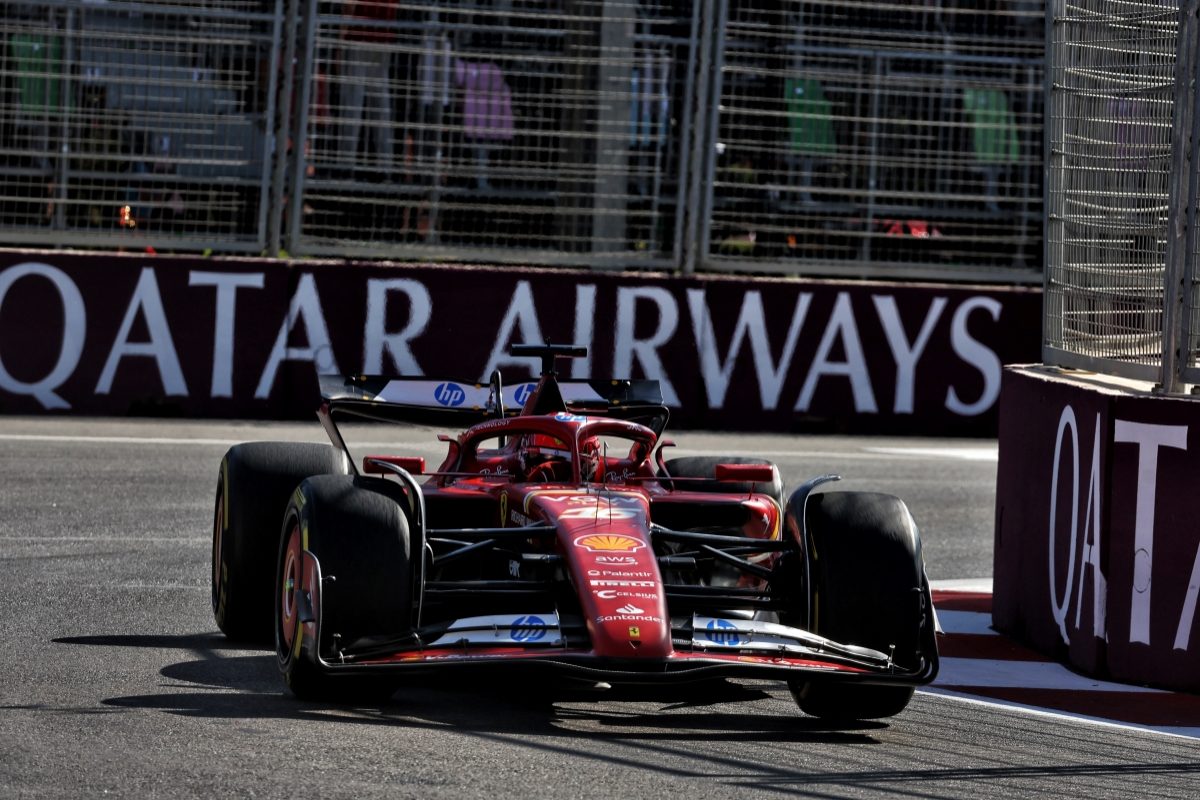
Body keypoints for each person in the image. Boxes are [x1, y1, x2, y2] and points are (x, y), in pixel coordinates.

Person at [338, 0, 399, 176]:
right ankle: (385, 165)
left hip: (359, 36)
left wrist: (340, 40)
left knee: (352, 105)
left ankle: (345, 165)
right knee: (380, 105)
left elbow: (349, 5)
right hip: (383, 40)